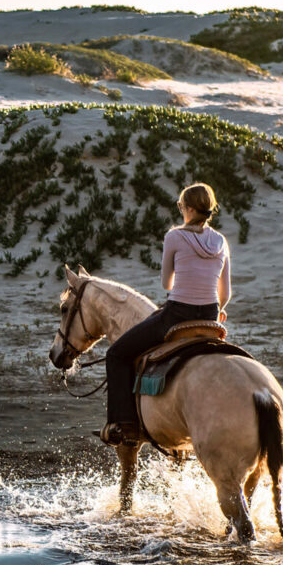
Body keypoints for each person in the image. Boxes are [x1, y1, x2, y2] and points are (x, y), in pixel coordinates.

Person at [100, 182, 231, 445]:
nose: (181, 210)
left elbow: (166, 284)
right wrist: (218, 310)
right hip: (209, 317)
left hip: (177, 315)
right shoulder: (220, 241)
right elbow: (225, 292)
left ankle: (123, 425)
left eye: (181, 206)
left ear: (190, 209)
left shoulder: (174, 236)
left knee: (116, 354)